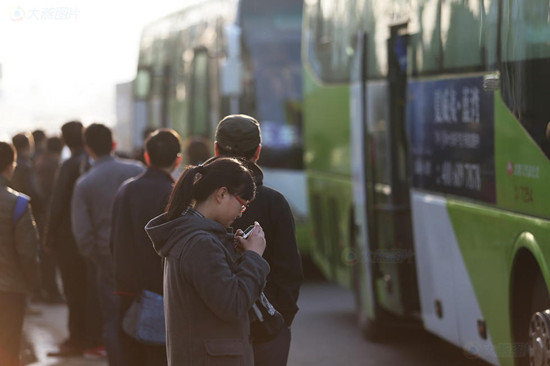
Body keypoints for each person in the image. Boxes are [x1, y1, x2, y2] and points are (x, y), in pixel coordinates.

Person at [145, 157, 269, 366]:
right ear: (221, 194)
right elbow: (233, 304)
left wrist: (236, 253)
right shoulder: (200, 243)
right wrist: (254, 257)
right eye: (243, 204)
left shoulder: (190, 234)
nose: (241, 212)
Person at [214, 114, 303, 366]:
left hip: (212, 331)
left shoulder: (197, 201)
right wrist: (279, 320)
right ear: (258, 151)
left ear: (216, 149)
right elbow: (289, 271)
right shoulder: (274, 202)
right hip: (267, 330)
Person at [72, 123, 144, 366]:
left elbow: (82, 233)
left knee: (113, 318)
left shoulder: (85, 183)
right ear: (114, 144)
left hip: (107, 258)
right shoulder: (137, 170)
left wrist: (96, 257)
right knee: (145, 312)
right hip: (141, 254)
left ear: (88, 148)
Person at [111, 129, 182, 366]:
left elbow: (114, 241)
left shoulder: (126, 189)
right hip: (162, 294)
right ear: (178, 160)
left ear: (146, 156)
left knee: (129, 356)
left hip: (127, 291)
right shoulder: (175, 195)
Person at [44, 121, 97, 357]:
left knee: (73, 290)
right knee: (87, 289)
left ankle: (76, 340)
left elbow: (57, 205)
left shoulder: (68, 165)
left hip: (68, 237)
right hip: (89, 235)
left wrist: (48, 236)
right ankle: (89, 337)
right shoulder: (91, 162)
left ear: (64, 140)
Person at [0, 141, 40, 366]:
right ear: (10, 167)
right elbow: (28, 253)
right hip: (9, 291)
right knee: (7, 350)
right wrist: (32, 283)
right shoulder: (19, 204)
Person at [34, 135, 64, 303]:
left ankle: (46, 290)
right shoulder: (52, 166)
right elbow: (48, 195)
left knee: (45, 257)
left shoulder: (40, 161)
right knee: (48, 257)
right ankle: (50, 291)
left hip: (40, 215)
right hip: (44, 216)